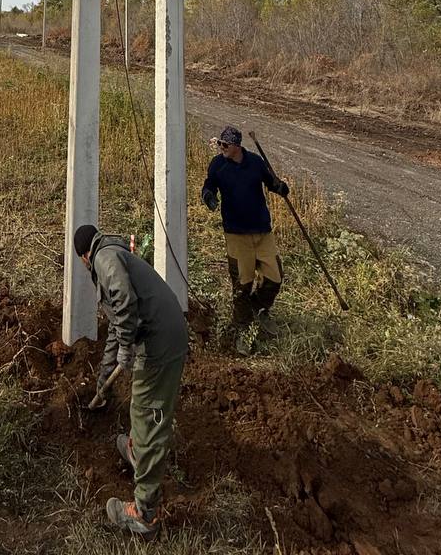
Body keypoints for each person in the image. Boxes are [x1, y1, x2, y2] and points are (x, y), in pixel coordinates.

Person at [74, 223, 188, 541]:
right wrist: (104, 378)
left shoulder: (104, 259)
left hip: (160, 343)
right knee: (140, 405)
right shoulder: (115, 254)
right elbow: (116, 325)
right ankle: (136, 449)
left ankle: (144, 515)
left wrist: (127, 345)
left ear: (84, 257)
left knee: (150, 414)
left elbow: (124, 301)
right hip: (161, 335)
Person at [200, 125, 288, 351]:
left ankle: (258, 308)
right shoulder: (218, 165)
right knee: (242, 285)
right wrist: (208, 196)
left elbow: (271, 182)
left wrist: (280, 187)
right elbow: (209, 185)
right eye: (220, 144)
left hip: (262, 231)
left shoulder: (255, 162)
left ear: (237, 146)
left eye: (225, 145)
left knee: (275, 277)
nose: (221, 148)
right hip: (236, 234)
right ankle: (243, 330)